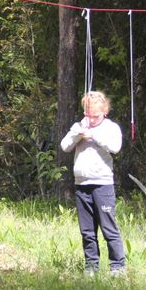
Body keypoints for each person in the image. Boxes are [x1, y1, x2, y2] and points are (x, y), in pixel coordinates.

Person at [60, 91, 127, 276]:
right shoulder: (79, 126)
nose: (91, 119)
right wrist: (79, 134)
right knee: (87, 230)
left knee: (108, 227)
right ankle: (91, 266)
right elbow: (65, 146)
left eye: (95, 115)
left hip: (102, 184)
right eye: (88, 114)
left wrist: (93, 136)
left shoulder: (111, 128)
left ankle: (117, 266)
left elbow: (115, 147)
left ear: (104, 112)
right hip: (82, 184)